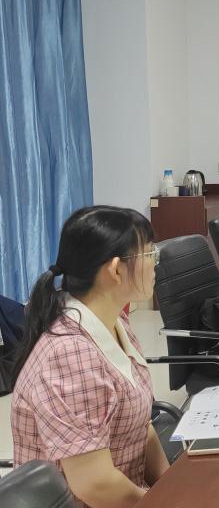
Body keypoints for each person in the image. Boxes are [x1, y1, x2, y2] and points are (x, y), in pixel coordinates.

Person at [11, 206, 169, 507]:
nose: (155, 263)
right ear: (116, 270)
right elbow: (95, 486)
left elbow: (142, 427)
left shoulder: (114, 321)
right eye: (150, 254)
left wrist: (173, 488)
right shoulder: (71, 356)